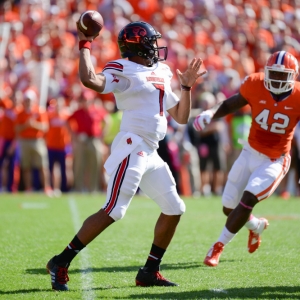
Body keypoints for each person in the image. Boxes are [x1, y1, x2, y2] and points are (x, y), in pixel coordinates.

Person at [46, 20, 206, 291]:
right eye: (150, 42)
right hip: (133, 146)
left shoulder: (162, 71)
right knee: (113, 210)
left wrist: (187, 88)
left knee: (175, 208)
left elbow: (180, 117)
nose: (155, 47)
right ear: (137, 45)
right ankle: (61, 262)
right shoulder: (123, 68)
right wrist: (85, 45)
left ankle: (149, 271)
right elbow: (90, 80)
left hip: (152, 150)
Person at [193, 50, 298, 267]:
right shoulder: (255, 83)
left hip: (274, 160)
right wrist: (211, 113)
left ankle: (218, 246)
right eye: (274, 74)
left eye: (282, 75)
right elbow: (232, 103)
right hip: (249, 151)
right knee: (228, 207)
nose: (277, 79)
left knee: (248, 199)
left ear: (293, 76)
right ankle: (256, 226)